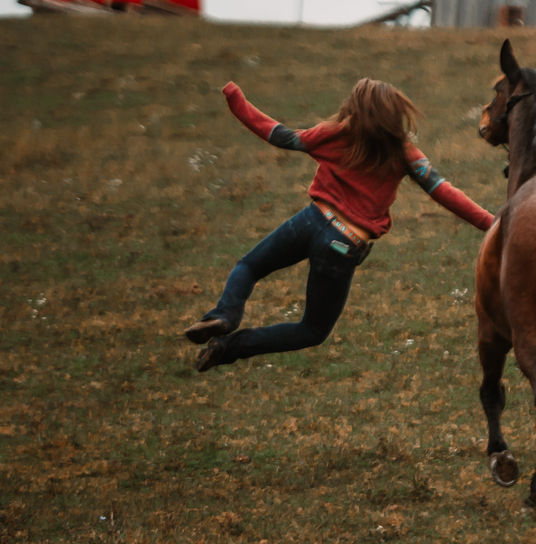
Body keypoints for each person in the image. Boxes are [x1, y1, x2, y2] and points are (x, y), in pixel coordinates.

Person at [187, 78, 495, 372]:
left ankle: (224, 316)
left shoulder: (334, 133)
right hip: (344, 243)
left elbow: (277, 134)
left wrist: (235, 98)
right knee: (312, 330)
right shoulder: (405, 153)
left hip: (311, 220)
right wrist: (493, 225)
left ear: (355, 107)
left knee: (249, 267)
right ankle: (229, 347)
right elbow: (445, 192)